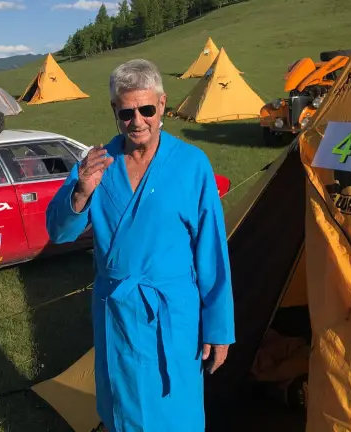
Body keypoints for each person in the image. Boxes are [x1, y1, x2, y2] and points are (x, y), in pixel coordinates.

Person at [46, 59, 235, 432]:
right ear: (114, 111)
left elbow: (211, 249)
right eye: (127, 112)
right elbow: (59, 232)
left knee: (175, 410)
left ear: (162, 105)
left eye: (147, 109)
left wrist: (218, 326)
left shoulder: (191, 163)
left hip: (173, 315)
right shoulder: (96, 164)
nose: (138, 121)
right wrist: (81, 190)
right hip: (116, 311)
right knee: (123, 411)